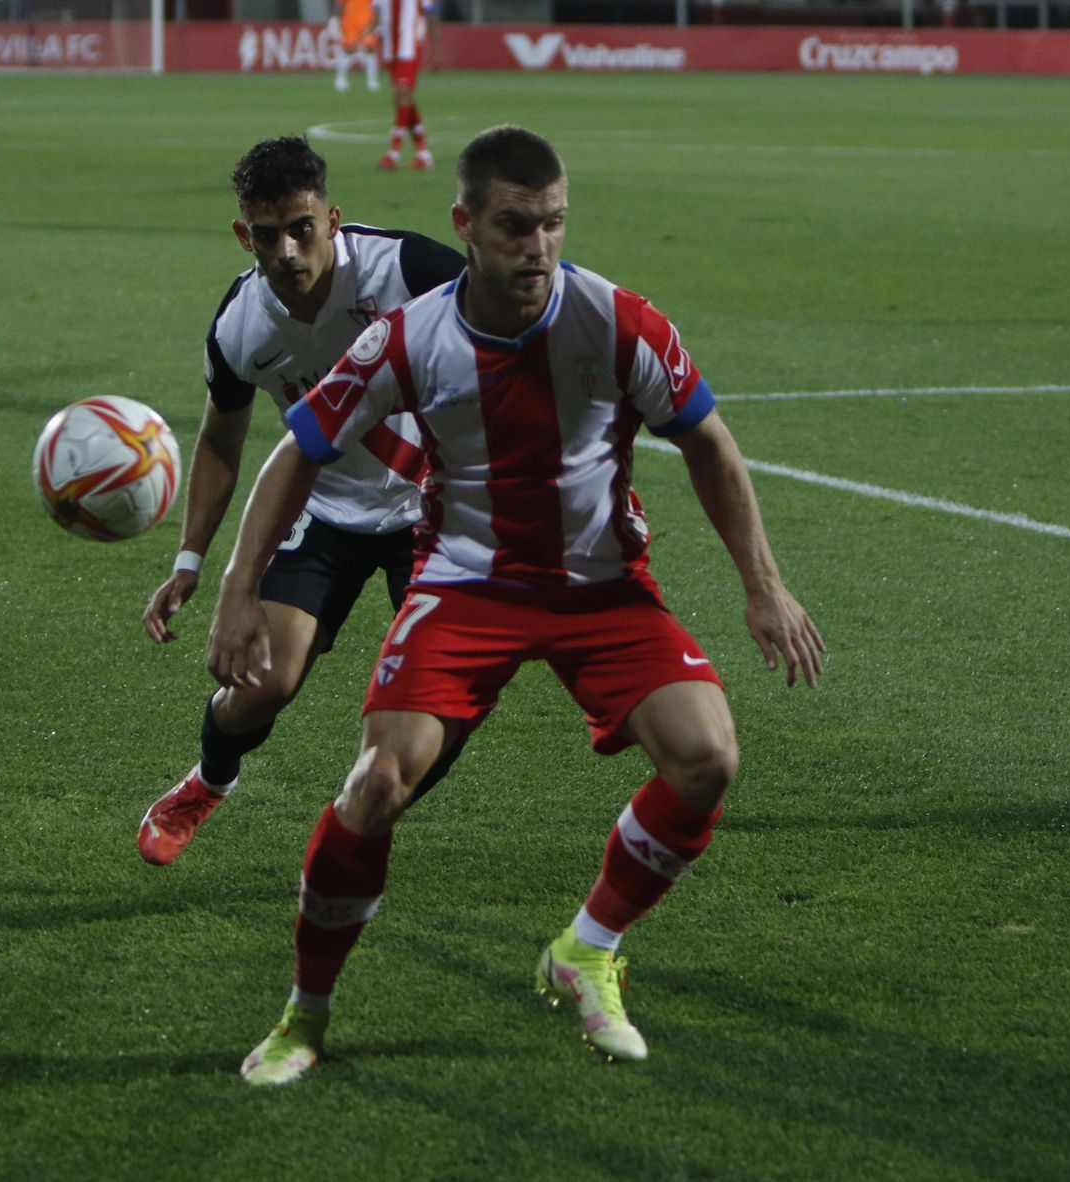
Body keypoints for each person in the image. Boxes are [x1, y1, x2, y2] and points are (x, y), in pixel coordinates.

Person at [209, 124, 826, 1086]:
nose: (536, 246)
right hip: (465, 587)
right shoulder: (410, 340)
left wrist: (764, 583)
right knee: (374, 788)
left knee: (709, 759)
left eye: (551, 224)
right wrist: (238, 591)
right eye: (512, 226)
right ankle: (305, 1014)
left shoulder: (618, 319)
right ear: (465, 225)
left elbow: (709, 439)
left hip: (602, 590)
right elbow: (296, 451)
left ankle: (586, 947)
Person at [135, 135, 467, 867]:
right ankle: (208, 780)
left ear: (333, 219)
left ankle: (362, 814)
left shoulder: (410, 268)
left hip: (435, 517)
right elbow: (222, 440)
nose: (285, 250)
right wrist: (190, 561)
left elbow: (513, 330)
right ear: (241, 234)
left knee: (441, 705)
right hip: (326, 515)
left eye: (301, 228)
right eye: (265, 234)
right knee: (261, 681)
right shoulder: (240, 324)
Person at [374, 0, 440, 170]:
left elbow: (431, 14)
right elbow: (378, 17)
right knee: (404, 98)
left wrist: (436, 49)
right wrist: (371, 42)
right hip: (391, 51)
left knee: (402, 95)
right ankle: (423, 154)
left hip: (409, 48)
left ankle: (393, 153)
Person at [329, 0, 379, 93]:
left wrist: (377, 20)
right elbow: (340, 4)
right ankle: (340, 79)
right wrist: (334, 19)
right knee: (349, 49)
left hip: (367, 21)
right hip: (350, 22)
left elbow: (377, 6)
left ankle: (372, 81)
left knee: (369, 49)